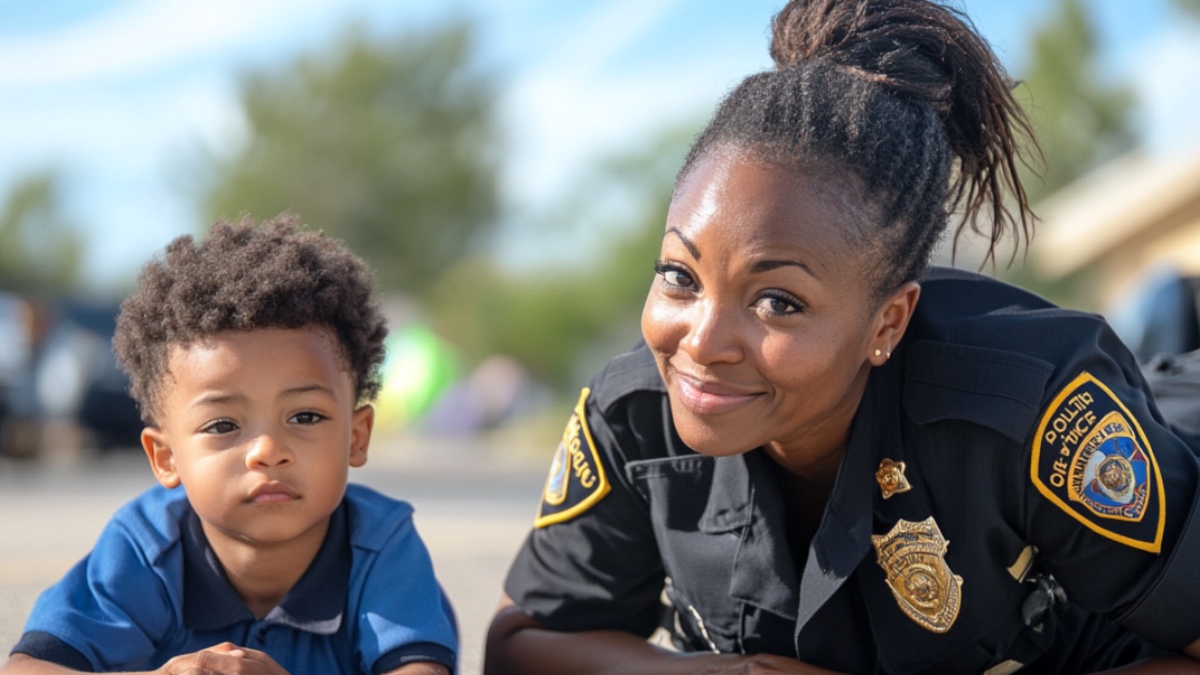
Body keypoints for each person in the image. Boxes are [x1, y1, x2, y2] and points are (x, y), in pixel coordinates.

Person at [484, 1, 1200, 673]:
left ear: (887, 322)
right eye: (680, 275)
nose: (702, 341)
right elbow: (522, 641)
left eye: (777, 301)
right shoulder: (634, 415)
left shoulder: (1030, 414)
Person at [1, 216, 457, 675]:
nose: (267, 450)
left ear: (356, 437)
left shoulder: (380, 545)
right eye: (222, 425)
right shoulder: (145, 548)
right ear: (165, 457)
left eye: (305, 416)